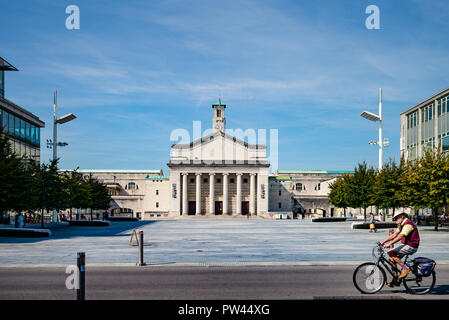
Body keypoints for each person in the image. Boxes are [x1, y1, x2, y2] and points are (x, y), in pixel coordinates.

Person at [379, 212, 420, 286]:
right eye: (394, 218)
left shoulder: (408, 224)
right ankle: (395, 280)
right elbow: (394, 235)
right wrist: (383, 242)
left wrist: (389, 244)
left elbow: (400, 236)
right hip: (406, 245)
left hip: (412, 246)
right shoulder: (401, 224)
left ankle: (405, 268)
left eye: (397, 218)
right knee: (392, 260)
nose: (395, 220)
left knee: (390, 252)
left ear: (402, 216)